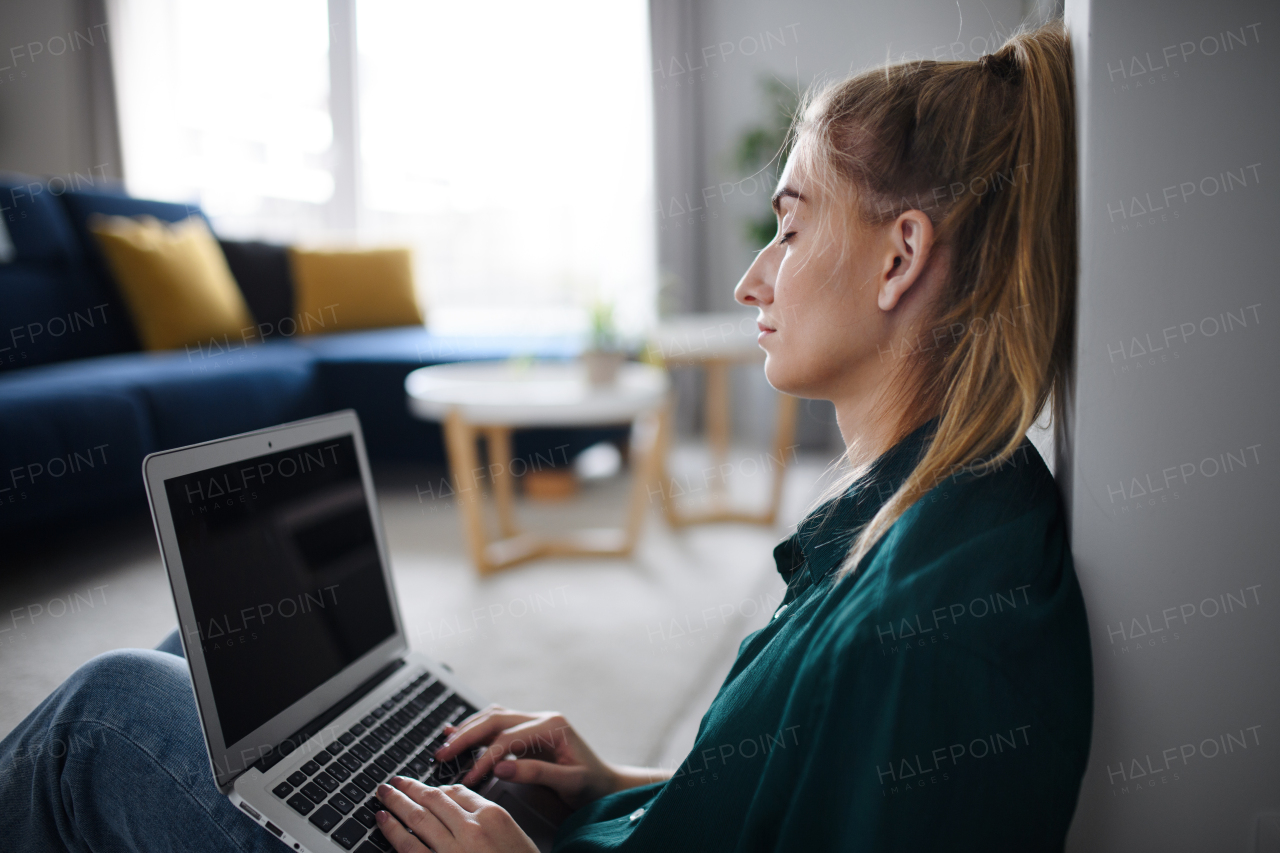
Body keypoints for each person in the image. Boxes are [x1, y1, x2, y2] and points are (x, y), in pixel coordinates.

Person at [0, 21, 1090, 853]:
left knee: (104, 709)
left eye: (791, 224)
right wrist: (620, 785)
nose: (750, 275)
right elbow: (781, 802)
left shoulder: (936, 626)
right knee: (209, 666)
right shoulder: (937, 517)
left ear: (900, 258)